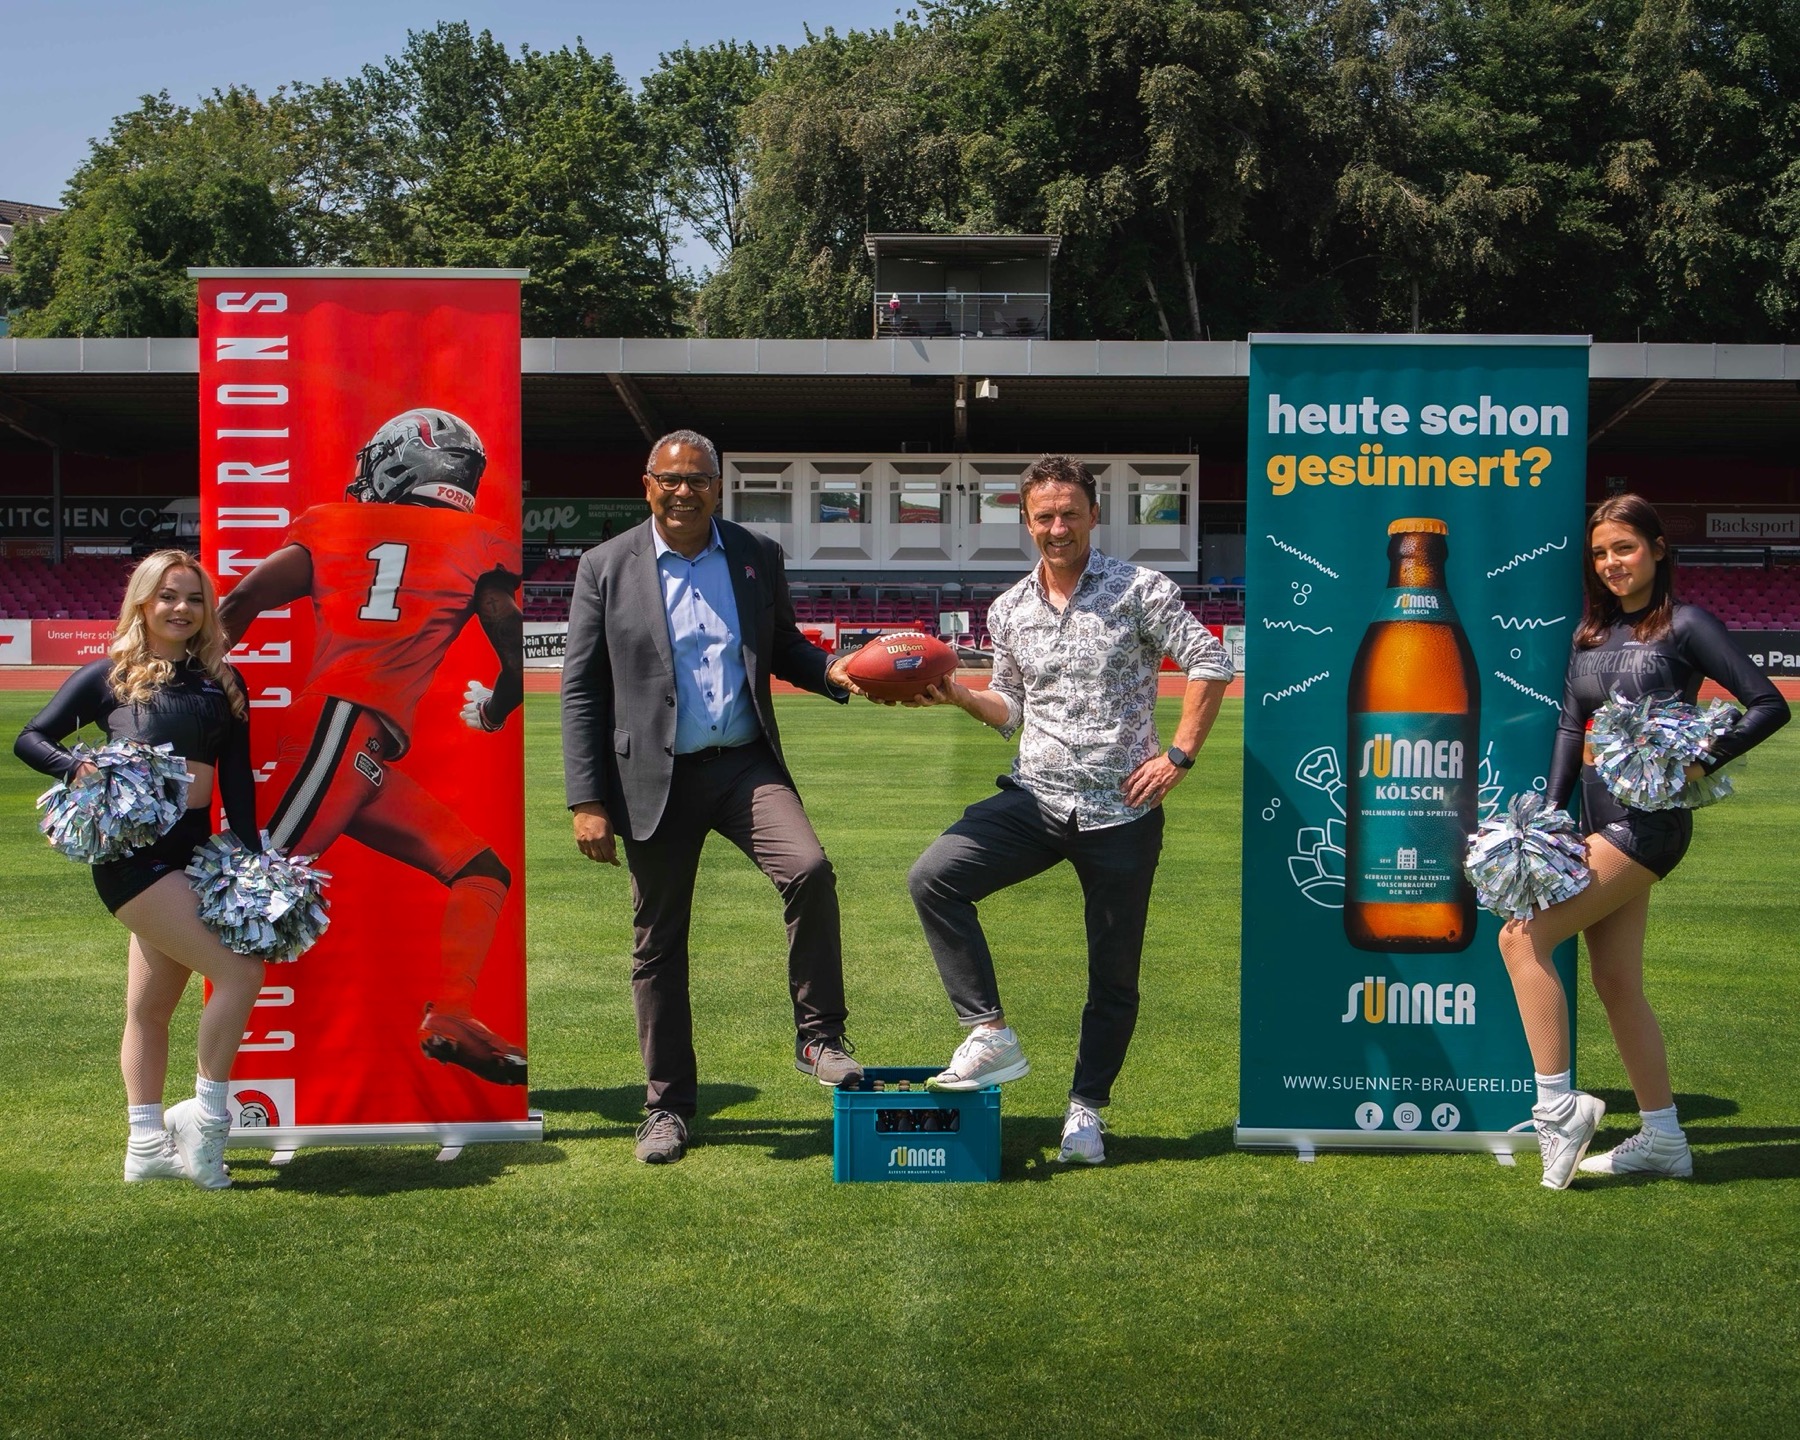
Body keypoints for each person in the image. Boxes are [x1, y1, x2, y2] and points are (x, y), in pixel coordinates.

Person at [905, 455, 1234, 1165]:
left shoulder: (1139, 589)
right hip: (1036, 797)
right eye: (1044, 516)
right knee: (935, 877)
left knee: (1113, 974)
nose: (1058, 527)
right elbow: (1009, 705)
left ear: (1092, 514)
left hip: (1123, 809)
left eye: (1070, 513)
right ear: (1026, 522)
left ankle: (1086, 1109)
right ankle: (988, 1031)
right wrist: (960, 695)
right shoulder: (1009, 609)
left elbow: (1209, 661)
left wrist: (1177, 756)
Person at [561, 428, 867, 1165]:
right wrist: (586, 799)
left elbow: (785, 645)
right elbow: (580, 689)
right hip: (650, 779)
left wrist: (835, 672)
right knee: (658, 946)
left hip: (743, 766)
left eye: (697, 478)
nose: (683, 491)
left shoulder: (756, 555)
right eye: (669, 479)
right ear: (646, 485)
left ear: (717, 485)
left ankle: (819, 1038)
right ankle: (667, 1109)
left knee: (809, 870)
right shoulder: (603, 567)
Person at [217, 407, 528, 1086]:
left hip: (343, 739)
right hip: (345, 740)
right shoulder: (483, 543)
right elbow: (513, 663)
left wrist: (186, 687)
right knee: (242, 898)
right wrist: (495, 712)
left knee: (480, 870)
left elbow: (239, 602)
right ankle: (186, 1061)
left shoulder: (331, 523)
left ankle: (450, 1014)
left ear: (395, 463)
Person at [1501, 493, 1789, 1189]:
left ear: (1659, 548)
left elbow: (1768, 703)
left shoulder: (1686, 626)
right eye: (1600, 554)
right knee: (1616, 980)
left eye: (1624, 548)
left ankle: (1557, 1107)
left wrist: (1698, 760)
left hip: (1649, 823)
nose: (1611, 564)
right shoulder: (1590, 638)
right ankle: (1662, 1137)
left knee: (1521, 937)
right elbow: (1572, 727)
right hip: (1598, 822)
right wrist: (1544, 818)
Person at [15, 550, 266, 1190]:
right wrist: (77, 767)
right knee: (239, 973)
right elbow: (32, 737)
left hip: (195, 854)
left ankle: (146, 1146)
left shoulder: (222, 685)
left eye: (194, 599)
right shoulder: (109, 676)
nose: (181, 609)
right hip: (134, 860)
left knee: (151, 1008)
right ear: (142, 604)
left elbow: (236, 783)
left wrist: (252, 857)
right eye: (168, 596)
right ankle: (205, 1122)